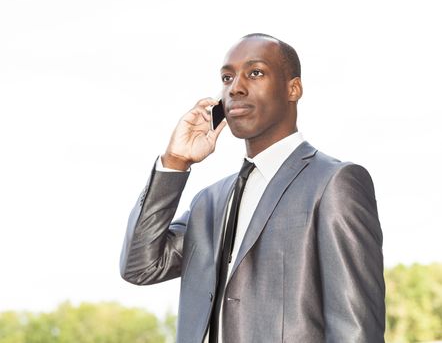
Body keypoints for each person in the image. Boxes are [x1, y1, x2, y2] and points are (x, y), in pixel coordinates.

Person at [120, 33, 385, 343]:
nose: (236, 87)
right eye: (227, 77)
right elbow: (140, 267)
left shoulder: (334, 183)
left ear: (292, 88)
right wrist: (175, 161)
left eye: (255, 72)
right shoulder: (209, 202)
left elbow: (355, 329)